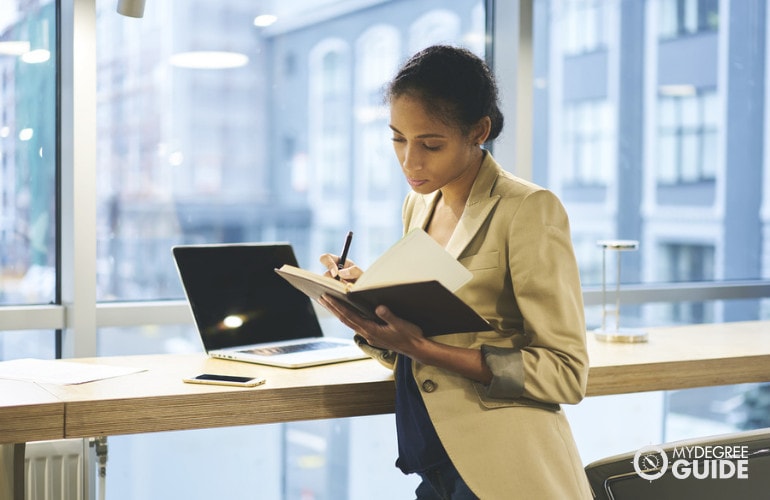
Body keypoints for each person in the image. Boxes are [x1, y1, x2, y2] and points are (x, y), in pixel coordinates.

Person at [319, 45, 591, 499]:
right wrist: (367, 307)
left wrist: (422, 347)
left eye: (430, 144)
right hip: (435, 464)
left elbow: (564, 373)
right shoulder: (419, 205)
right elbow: (416, 348)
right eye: (397, 139)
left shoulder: (526, 209)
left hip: (505, 470)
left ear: (478, 131)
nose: (410, 161)